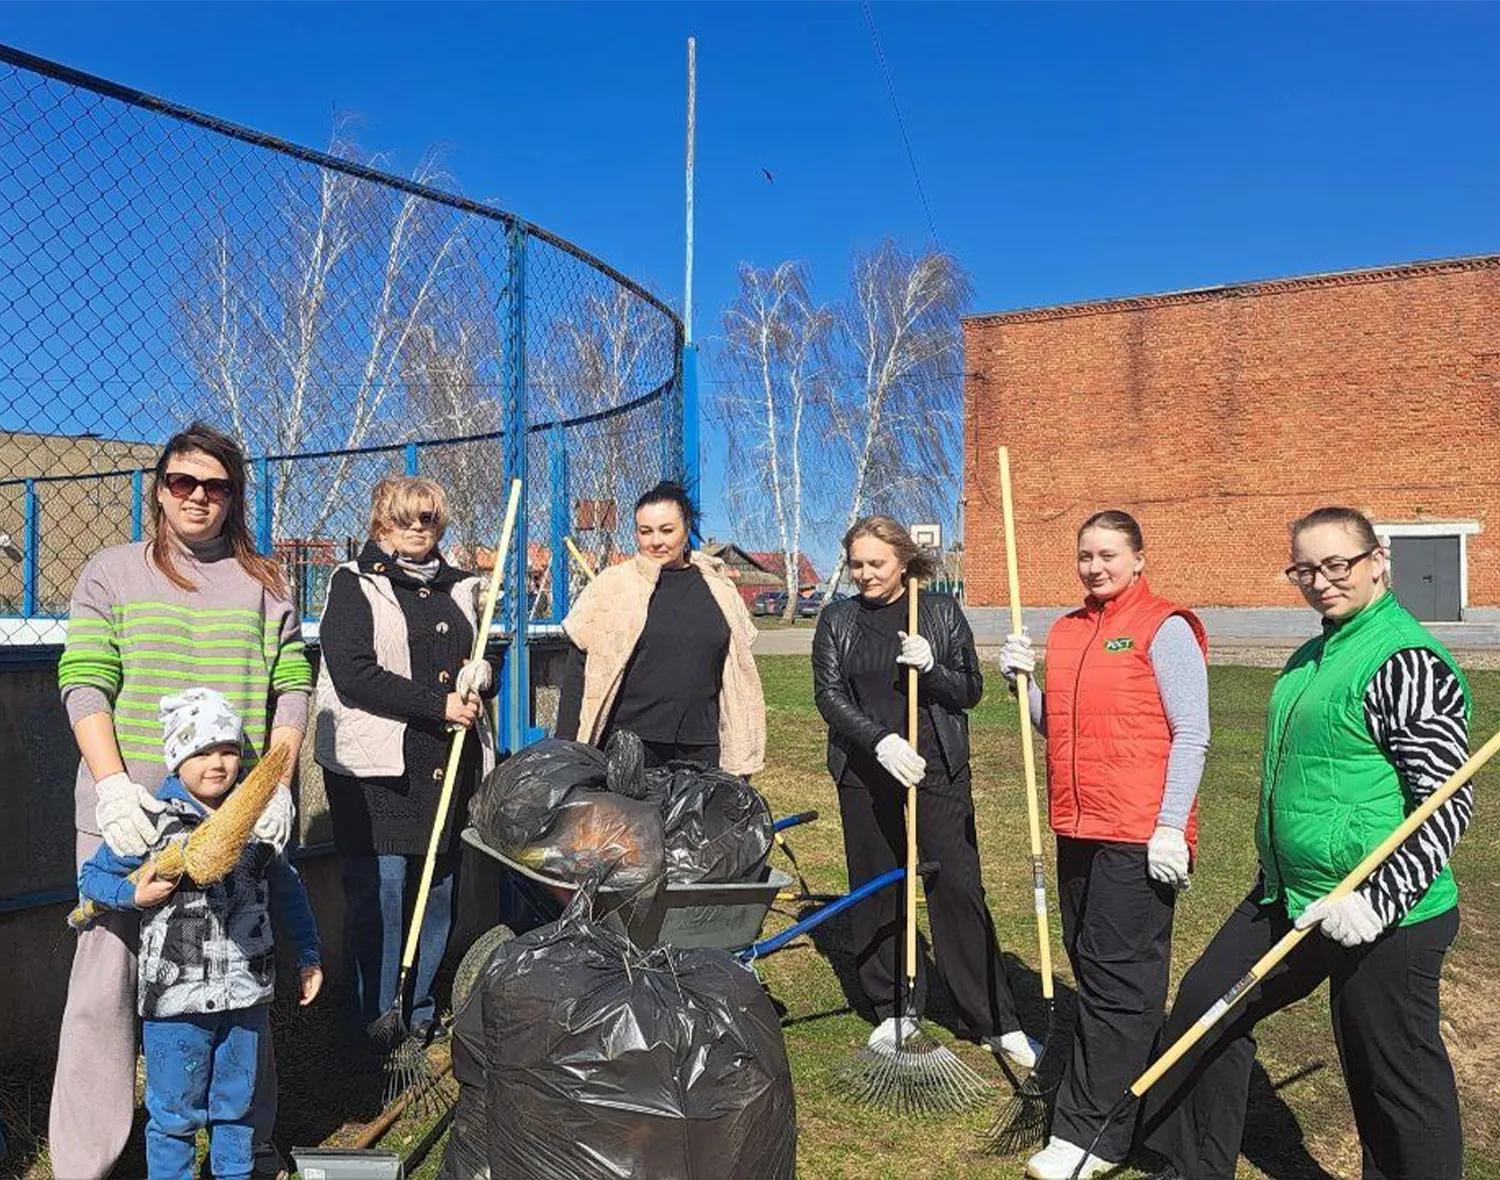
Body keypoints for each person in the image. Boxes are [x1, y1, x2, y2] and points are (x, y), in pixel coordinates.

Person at [1141, 506, 1472, 1180]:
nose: (1322, 581)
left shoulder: (1406, 661)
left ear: (1379, 560)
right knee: (1208, 1006)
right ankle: (1195, 1168)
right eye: (1306, 569)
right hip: (1292, 894)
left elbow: (1445, 801)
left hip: (1388, 913)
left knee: (1393, 1081)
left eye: (1337, 565)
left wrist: (1377, 901)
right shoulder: (1311, 653)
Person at [53, 422, 312, 1178]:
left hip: (234, 823)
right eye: (182, 482)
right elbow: (85, 678)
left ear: (234, 496)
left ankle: (245, 1152)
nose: (198, 497)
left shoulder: (265, 582)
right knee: (104, 990)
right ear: (159, 490)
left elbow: (291, 685)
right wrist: (110, 785)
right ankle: (85, 1161)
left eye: (216, 485)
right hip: (130, 812)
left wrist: (278, 784)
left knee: (238, 983)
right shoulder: (112, 570)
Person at [998, 510, 1210, 1180]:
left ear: (1139, 558)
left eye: (1109, 554)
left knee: (1118, 985)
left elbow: (1193, 733)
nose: (1095, 566)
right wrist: (1024, 685)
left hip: (1139, 835)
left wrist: (1172, 824)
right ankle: (1143, 1107)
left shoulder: (1164, 627)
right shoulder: (1067, 631)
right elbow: (1056, 730)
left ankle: (1090, 1137)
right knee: (1099, 970)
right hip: (1077, 827)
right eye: (1085, 555)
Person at [813, 515, 1038, 1067]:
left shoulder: (937, 611)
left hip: (935, 765)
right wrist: (880, 740)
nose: (865, 574)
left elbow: (971, 690)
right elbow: (828, 695)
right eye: (857, 564)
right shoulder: (837, 620)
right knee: (877, 885)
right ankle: (894, 1006)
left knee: (956, 884)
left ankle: (992, 1017)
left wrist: (932, 667)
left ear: (905, 561)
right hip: (867, 769)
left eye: (877, 564)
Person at [76, 689, 323, 1180]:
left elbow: (288, 890)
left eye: (228, 750)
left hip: (246, 994)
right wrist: (135, 896)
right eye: (201, 752)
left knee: (238, 1109)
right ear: (176, 757)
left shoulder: (257, 823)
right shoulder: (151, 823)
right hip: (176, 1003)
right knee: (174, 1115)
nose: (218, 763)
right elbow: (92, 879)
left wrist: (309, 952)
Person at [316, 476, 496, 1050]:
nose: (417, 529)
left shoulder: (463, 587)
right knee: (383, 895)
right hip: (379, 774)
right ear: (380, 522)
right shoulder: (354, 584)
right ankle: (371, 1020)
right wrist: (437, 703)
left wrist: (481, 676)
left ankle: (416, 1012)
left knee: (438, 891)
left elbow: (485, 653)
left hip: (447, 764)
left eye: (429, 519)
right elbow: (352, 673)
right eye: (405, 519)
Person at [555, 481, 765, 774]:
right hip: (626, 747)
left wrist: (741, 760)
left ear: (686, 528)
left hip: (700, 747)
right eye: (645, 531)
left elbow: (736, 672)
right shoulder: (613, 585)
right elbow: (578, 670)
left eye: (667, 530)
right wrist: (566, 749)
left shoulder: (719, 589)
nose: (656, 541)